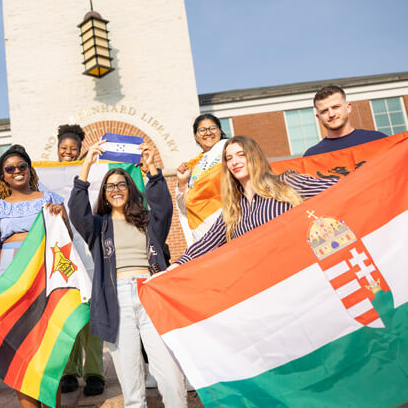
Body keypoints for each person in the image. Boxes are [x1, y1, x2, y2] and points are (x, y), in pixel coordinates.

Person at [68, 140, 187, 407]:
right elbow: (78, 212)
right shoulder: (98, 226)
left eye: (122, 184)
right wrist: (87, 164)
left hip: (151, 293)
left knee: (171, 376)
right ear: (105, 193)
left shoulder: (147, 221)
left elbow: (164, 208)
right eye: (110, 186)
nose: (116, 189)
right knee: (131, 383)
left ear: (130, 189)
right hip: (116, 299)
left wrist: (153, 168)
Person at [0, 145, 65, 408]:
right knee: (19, 350)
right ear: (3, 176)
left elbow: (67, 241)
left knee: (46, 349)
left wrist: (62, 216)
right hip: (10, 281)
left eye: (22, 166)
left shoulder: (51, 198)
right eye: (10, 169)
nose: (17, 171)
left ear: (29, 170)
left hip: (43, 277)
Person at [170, 136, 338, 268]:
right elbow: (208, 242)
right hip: (265, 285)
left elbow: (337, 189)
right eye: (229, 158)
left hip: (300, 271)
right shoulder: (233, 209)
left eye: (241, 155)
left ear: (254, 156)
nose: (234, 162)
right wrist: (175, 266)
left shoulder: (286, 183)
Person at [57, 125, 106, 396]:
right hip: (61, 252)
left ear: (80, 150)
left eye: (73, 149)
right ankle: (69, 370)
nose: (67, 152)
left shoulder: (93, 174)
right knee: (67, 311)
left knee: (92, 312)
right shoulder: (46, 177)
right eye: (63, 148)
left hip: (88, 248)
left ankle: (95, 371)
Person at [176, 114, 228, 243]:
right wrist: (182, 182)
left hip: (229, 221)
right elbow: (185, 205)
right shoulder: (193, 165)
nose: (208, 133)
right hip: (204, 230)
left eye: (212, 128)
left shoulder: (230, 151)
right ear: (195, 136)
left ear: (220, 131)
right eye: (202, 130)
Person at [303, 85, 387, 157]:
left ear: (348, 107)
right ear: (318, 117)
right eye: (324, 111)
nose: (331, 114)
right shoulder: (312, 156)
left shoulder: (377, 140)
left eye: (336, 107)